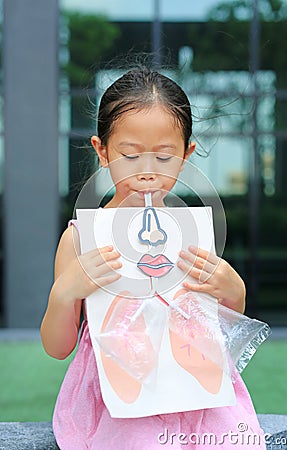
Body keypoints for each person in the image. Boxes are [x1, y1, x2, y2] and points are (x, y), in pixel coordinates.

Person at [40, 67, 266, 449]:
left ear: (186, 156)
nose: (147, 172)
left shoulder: (190, 231)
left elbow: (215, 323)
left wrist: (233, 289)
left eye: (164, 158)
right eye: (129, 155)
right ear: (102, 151)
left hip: (197, 393)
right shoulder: (81, 238)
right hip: (117, 399)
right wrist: (65, 293)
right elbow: (58, 347)